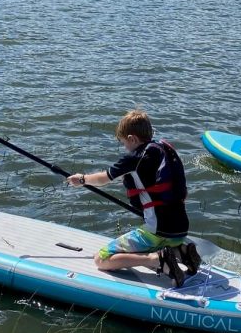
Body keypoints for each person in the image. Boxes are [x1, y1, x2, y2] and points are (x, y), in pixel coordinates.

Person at [68, 109, 202, 287]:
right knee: (162, 237)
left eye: (124, 143)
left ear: (132, 138)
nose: (125, 147)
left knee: (102, 258)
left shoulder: (135, 157)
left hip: (156, 233)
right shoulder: (165, 150)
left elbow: (103, 178)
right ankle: (181, 252)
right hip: (180, 230)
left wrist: (82, 180)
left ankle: (155, 260)